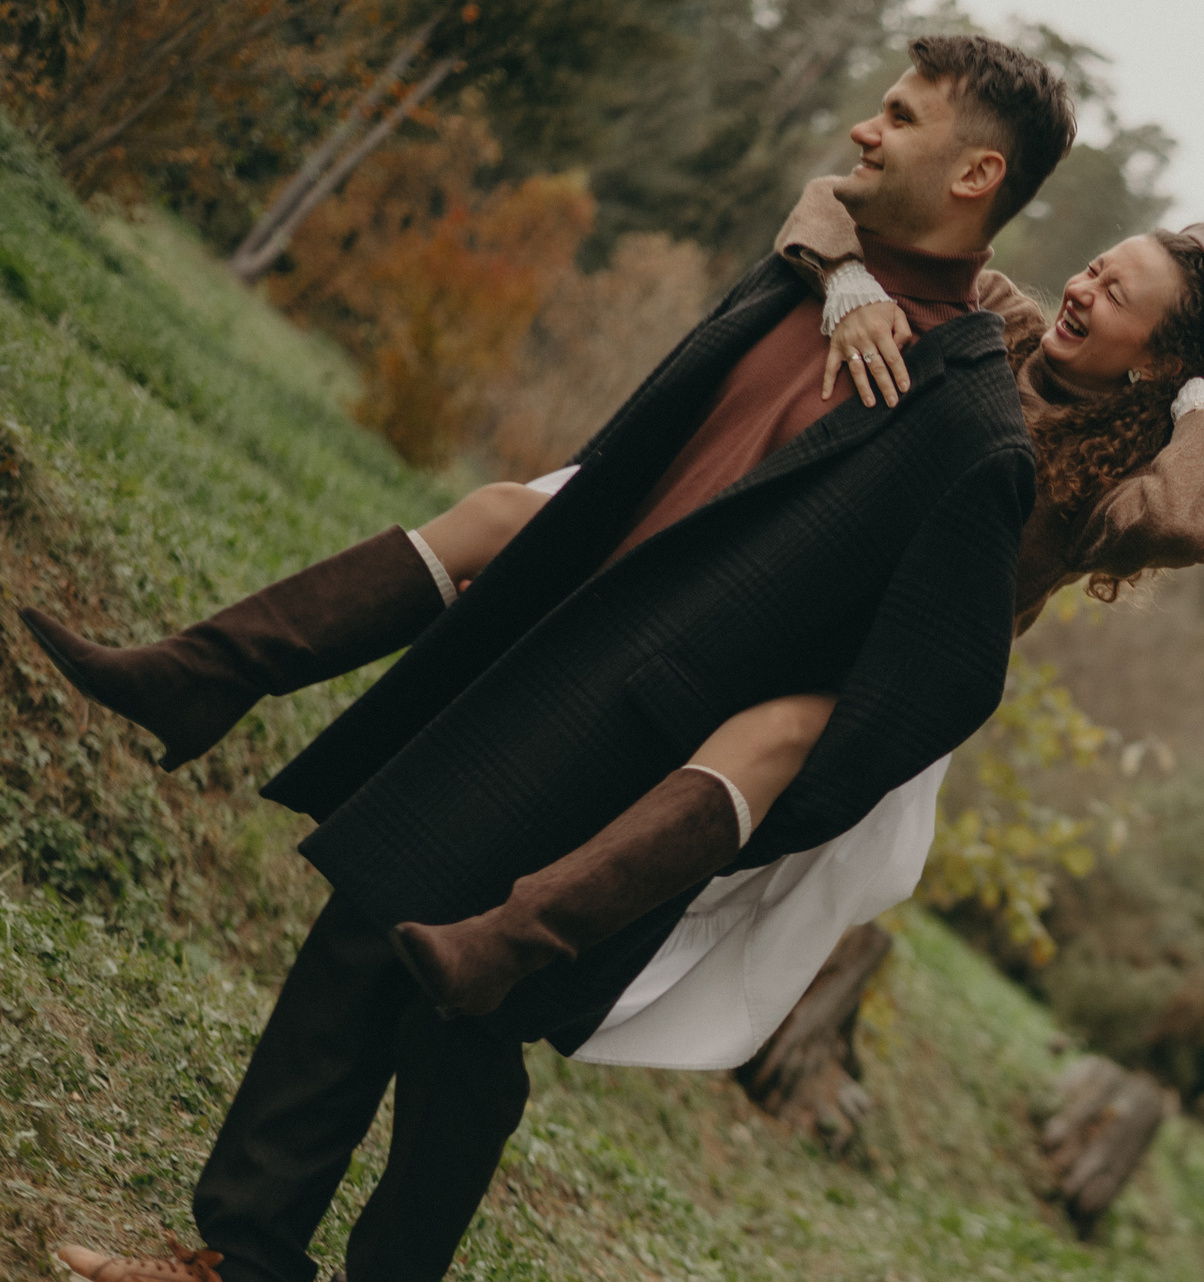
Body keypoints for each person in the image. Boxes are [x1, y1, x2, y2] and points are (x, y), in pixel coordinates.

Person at [43, 34, 1078, 1282]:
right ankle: (238, 1255)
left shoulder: (971, 431)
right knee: (364, 940)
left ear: (975, 173)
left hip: (635, 757)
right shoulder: (807, 277)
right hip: (536, 665)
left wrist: (737, 798)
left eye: (900, 118)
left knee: (461, 1032)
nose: (867, 127)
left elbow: (945, 681)